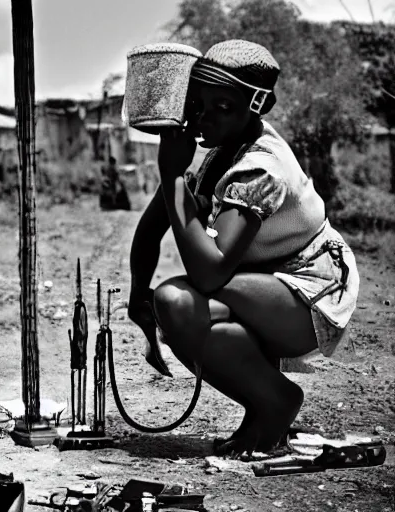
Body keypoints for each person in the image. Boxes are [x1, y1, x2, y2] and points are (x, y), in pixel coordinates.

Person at [127, 40, 359, 457]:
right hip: (266, 283)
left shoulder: (260, 167)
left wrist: (171, 175)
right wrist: (136, 295)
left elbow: (211, 273)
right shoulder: (219, 154)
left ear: (256, 107)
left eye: (223, 106)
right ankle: (265, 405)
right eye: (198, 104)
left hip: (312, 291)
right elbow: (151, 229)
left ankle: (278, 401)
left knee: (180, 301)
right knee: (174, 306)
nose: (204, 117)